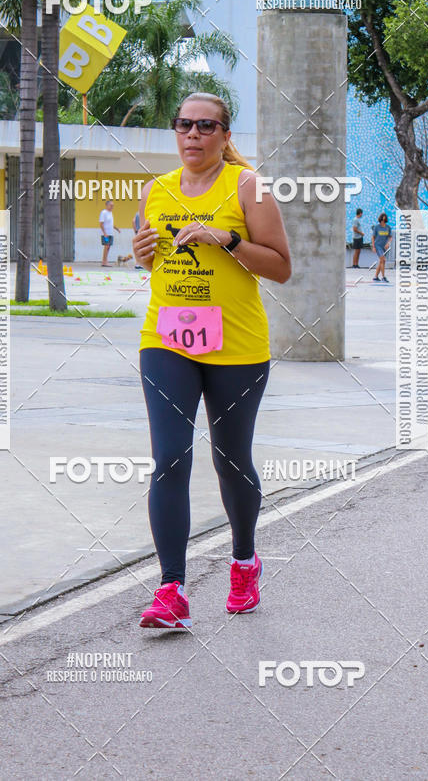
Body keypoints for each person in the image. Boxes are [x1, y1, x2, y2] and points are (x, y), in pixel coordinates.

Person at [132, 92, 291, 630]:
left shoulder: (250, 186)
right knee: (170, 458)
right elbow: (152, 263)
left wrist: (227, 239)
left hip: (237, 348)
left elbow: (281, 267)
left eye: (206, 126)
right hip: (166, 340)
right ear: (174, 131)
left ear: (225, 135)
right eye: (184, 124)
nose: (193, 134)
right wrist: (143, 254)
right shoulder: (155, 191)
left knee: (231, 459)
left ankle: (244, 560)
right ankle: (171, 590)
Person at [371, 213, 392, 282]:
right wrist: (373, 246)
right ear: (380, 219)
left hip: (384, 247)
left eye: (384, 218)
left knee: (381, 261)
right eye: (382, 218)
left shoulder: (388, 227)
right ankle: (383, 277)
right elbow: (373, 237)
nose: (383, 220)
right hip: (378, 246)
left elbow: (390, 237)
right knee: (383, 260)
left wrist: (388, 243)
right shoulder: (377, 227)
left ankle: (376, 277)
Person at [99, 200, 120, 266]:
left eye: (113, 206)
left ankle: (105, 261)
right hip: (106, 234)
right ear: (107, 205)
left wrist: (117, 229)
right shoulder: (103, 212)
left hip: (111, 233)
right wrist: (104, 233)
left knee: (108, 247)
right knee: (106, 246)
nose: (112, 207)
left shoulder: (110, 213)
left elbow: (111, 224)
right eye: (111, 205)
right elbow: (101, 223)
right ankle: (104, 262)